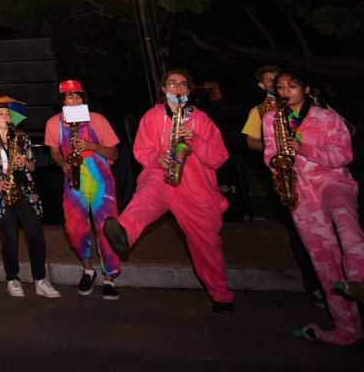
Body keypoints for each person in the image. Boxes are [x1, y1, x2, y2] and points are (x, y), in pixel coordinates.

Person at [103, 69, 235, 314]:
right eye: (172, 83)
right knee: (144, 199)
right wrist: (157, 158)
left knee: (206, 244)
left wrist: (195, 140)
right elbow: (141, 151)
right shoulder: (151, 116)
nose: (177, 88)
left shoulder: (201, 119)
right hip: (161, 176)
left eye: (183, 84)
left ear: (188, 91)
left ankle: (221, 296)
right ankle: (123, 231)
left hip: (195, 186)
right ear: (163, 89)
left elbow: (219, 158)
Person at [265, 69, 363, 345]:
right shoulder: (272, 119)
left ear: (307, 89)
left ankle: (359, 277)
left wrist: (303, 147)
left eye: (292, 86)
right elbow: (270, 155)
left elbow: (344, 154)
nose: (285, 91)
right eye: (281, 87)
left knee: (346, 222)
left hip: (333, 180)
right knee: (323, 261)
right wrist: (279, 173)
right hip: (299, 190)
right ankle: (347, 329)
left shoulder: (329, 118)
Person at [241, 65, 323, 306]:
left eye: (285, 82)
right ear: (263, 86)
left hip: (319, 175)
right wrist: (275, 146)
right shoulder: (260, 111)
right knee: (301, 233)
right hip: (287, 174)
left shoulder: (312, 105)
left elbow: (342, 129)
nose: (278, 85)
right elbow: (250, 142)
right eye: (271, 82)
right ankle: (315, 284)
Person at [0, 100, 60, 298]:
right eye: (1, 113)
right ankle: (12, 278)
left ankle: (40, 279)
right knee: (10, 237)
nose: (6, 116)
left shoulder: (20, 137)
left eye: (7, 113)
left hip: (23, 188)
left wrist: (25, 162)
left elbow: (32, 166)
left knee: (36, 233)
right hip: (0, 191)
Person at [43, 79, 121, 299]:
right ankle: (88, 269)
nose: (75, 100)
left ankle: (110, 278)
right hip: (74, 180)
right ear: (62, 101)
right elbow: (55, 153)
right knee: (75, 228)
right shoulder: (53, 123)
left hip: (101, 180)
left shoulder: (98, 120)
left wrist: (91, 146)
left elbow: (114, 154)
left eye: (78, 96)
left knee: (107, 227)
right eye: (70, 96)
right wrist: (63, 165)